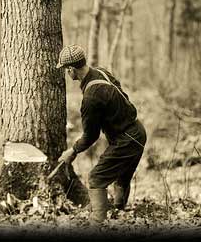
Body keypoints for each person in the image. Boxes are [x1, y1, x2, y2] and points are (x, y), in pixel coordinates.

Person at [56, 45, 147, 224]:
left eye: (66, 70)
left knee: (96, 179)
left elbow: (91, 136)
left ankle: (98, 224)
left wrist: (72, 151)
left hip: (126, 140)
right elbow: (123, 95)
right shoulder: (102, 72)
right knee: (121, 178)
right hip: (138, 132)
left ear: (71, 69)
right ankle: (118, 215)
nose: (67, 73)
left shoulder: (90, 98)